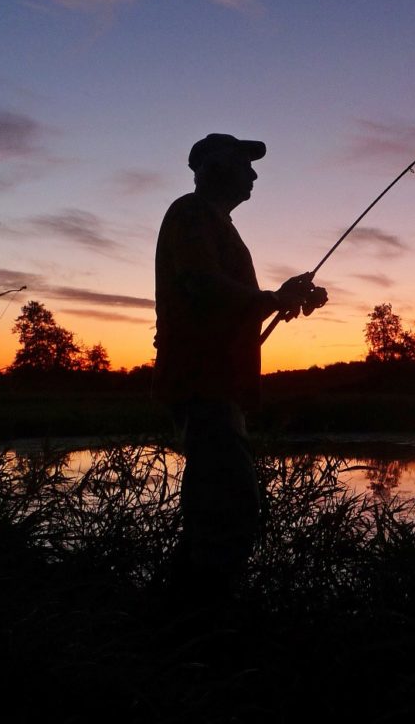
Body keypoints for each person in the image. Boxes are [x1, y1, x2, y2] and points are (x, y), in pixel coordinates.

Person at [153, 133, 327, 600]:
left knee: (211, 513)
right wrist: (272, 300)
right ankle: (205, 632)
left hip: (218, 386)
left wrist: (281, 296)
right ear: (211, 167)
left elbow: (229, 301)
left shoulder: (218, 226)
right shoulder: (191, 214)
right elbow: (203, 286)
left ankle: (175, 623)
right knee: (232, 512)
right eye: (243, 163)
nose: (253, 174)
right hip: (202, 384)